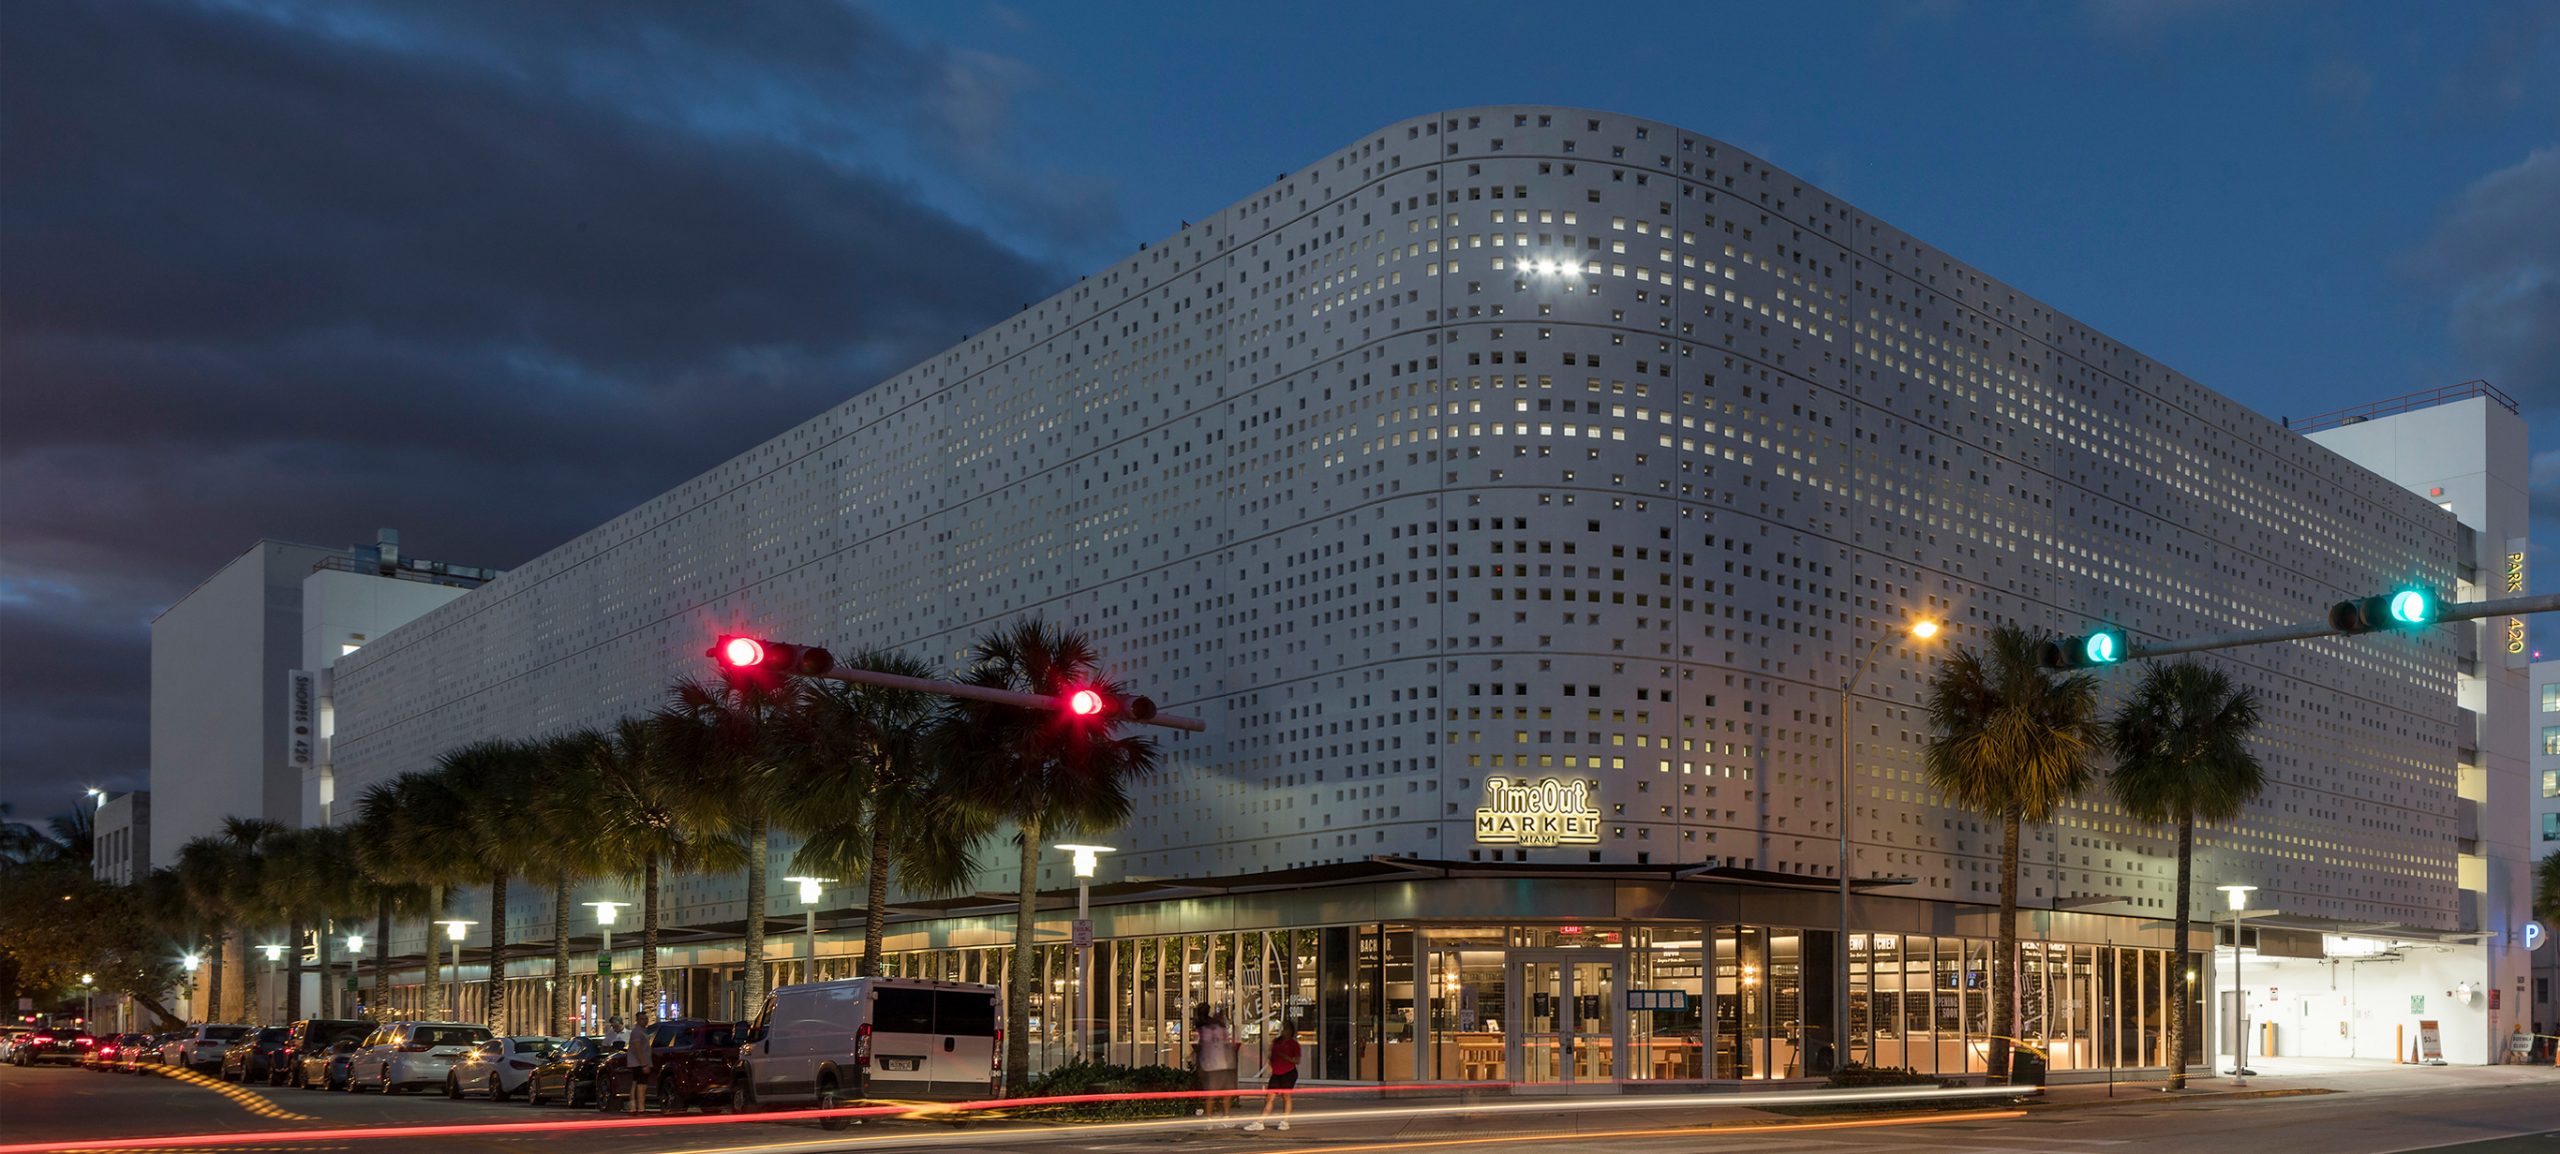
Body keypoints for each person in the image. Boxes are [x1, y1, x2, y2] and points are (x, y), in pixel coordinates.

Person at [1242, 1018, 1299, 1133]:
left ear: (1291, 1031)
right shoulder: (1277, 1041)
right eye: (1282, 1028)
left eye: (1286, 1028)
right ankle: (1260, 1122)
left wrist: (1285, 1057)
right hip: (1276, 1073)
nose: (1283, 1031)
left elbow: (1297, 1060)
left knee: (1286, 1097)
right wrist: (1270, 1064)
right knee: (1269, 1097)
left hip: (1288, 1072)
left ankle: (1285, 1121)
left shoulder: (1293, 1044)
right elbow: (1271, 1055)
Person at [1192, 1003, 1237, 1124]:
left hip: (1212, 1065)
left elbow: (1199, 1046)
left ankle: (1211, 1118)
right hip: (1218, 1065)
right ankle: (1221, 1117)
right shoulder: (1212, 1029)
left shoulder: (1204, 1028)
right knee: (1222, 1094)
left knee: (1213, 1094)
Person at [625, 1012, 654, 1113]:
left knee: (636, 1083)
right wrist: (644, 1064)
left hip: (638, 1062)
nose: (645, 1020)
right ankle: (640, 1107)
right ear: (637, 1020)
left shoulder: (643, 1031)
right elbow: (638, 1049)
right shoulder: (637, 1032)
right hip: (637, 1063)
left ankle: (634, 1107)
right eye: (642, 1019)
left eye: (646, 1018)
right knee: (641, 1085)